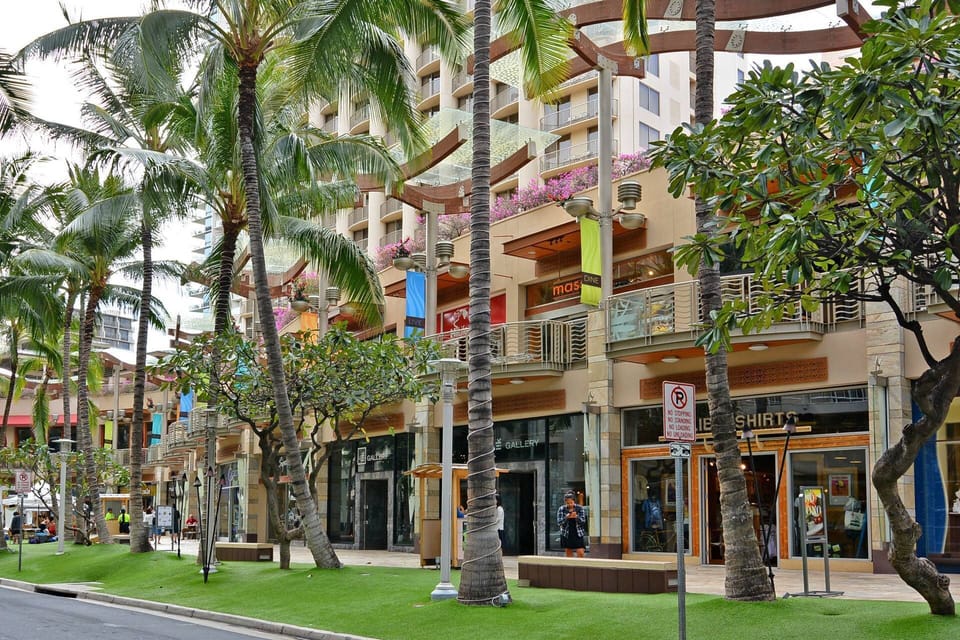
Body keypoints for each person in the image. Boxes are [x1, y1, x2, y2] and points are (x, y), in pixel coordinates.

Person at [557, 492, 586, 558]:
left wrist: (576, 517)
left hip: (578, 533)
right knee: (568, 553)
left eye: (571, 503)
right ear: (565, 502)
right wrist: (566, 517)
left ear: (574, 501)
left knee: (580, 552)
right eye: (568, 503)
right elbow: (559, 523)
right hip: (566, 534)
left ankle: (581, 567)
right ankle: (570, 567)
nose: (570, 504)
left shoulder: (580, 508)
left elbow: (583, 522)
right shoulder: (561, 509)